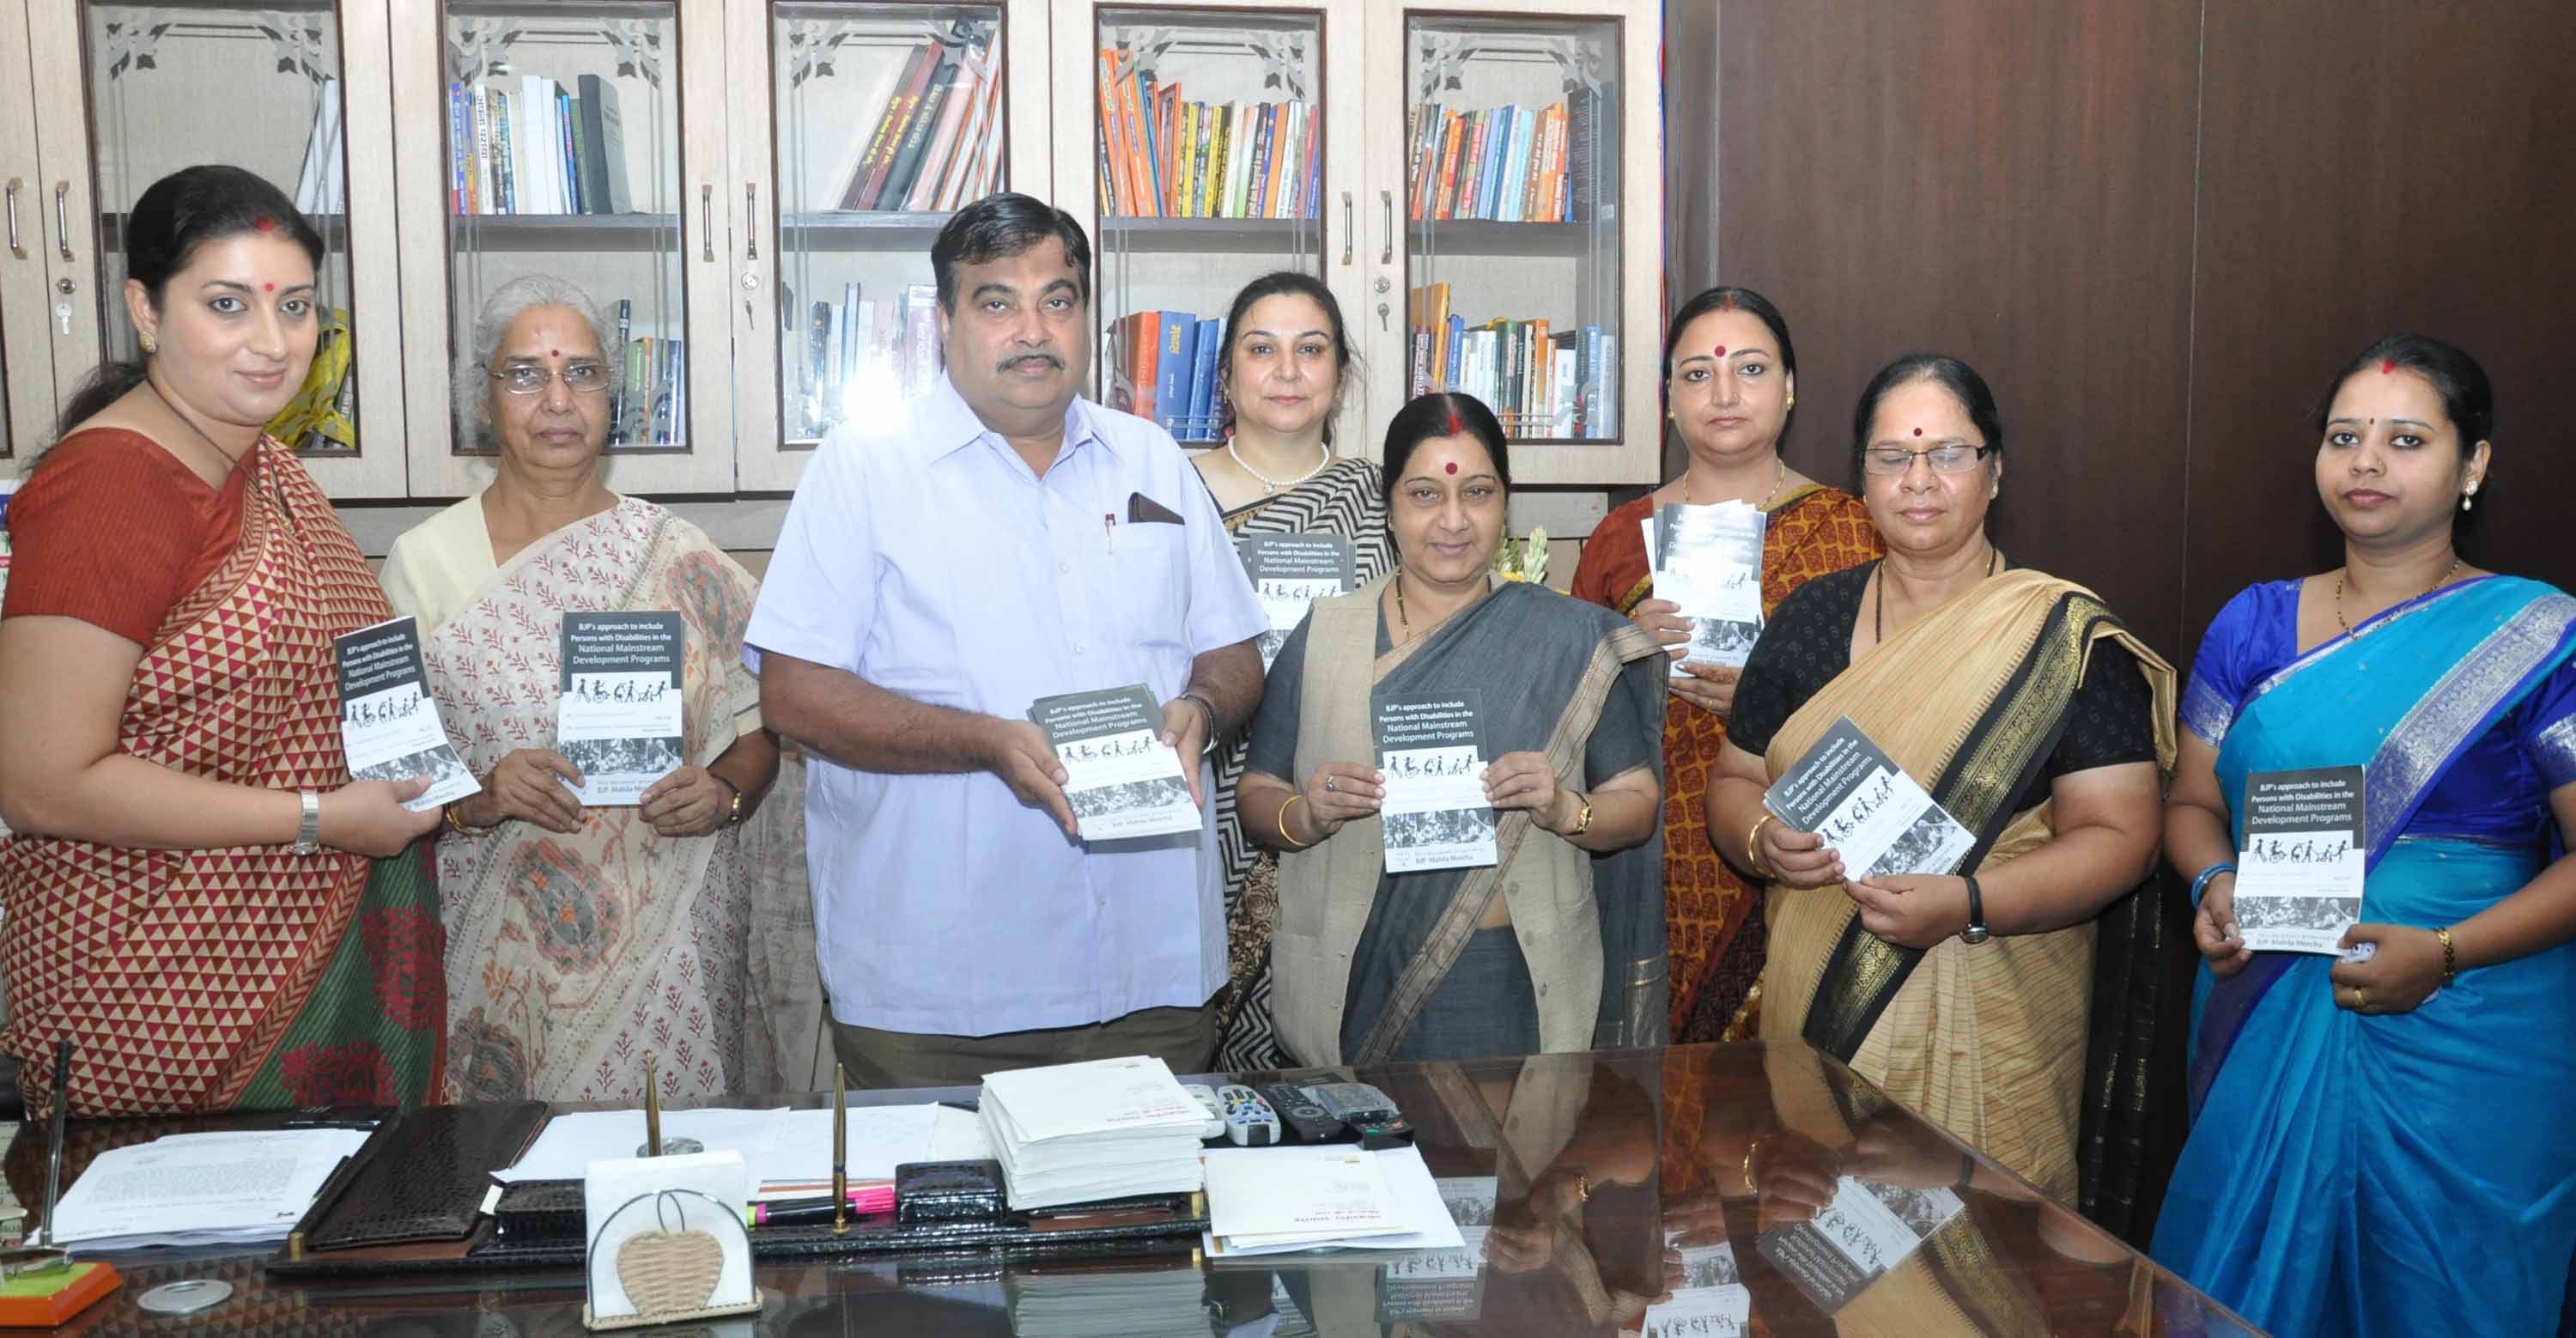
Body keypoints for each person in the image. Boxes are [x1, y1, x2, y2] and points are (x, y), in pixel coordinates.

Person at [746, 193, 1269, 1089]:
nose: (1033, 329)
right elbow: (793, 694)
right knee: (945, 1228)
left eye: (1057, 299)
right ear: (944, 321)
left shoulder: (1152, 460)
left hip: (1151, 971)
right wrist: (985, 742)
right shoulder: (864, 468)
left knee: (1150, 1225)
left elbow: (1233, 654)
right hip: (940, 993)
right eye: (997, 302)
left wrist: (1203, 710)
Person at [2150, 335, 2576, 1337]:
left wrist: (2447, 952)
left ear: (2473, 464)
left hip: (2471, 1033)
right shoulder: (2250, 627)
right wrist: (2214, 880)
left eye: (2406, 438)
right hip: (2269, 1002)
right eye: (2345, 437)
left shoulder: (2541, 635)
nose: (2366, 462)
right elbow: (2190, 805)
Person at [0, 166, 444, 1114]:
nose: (272, 343)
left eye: (295, 307)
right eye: (227, 304)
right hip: (154, 990)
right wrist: (322, 817)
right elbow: (41, 784)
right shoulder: (113, 486)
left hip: (279, 940)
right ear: (145, 310)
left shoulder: (260, 465)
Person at [1702, 354, 2172, 1203]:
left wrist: (1969, 903)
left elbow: (2122, 837)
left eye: (1949, 454)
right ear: (1862, 478)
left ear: (1995, 473)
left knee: (1990, 1282)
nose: (1919, 480)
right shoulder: (1811, 620)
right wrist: (1762, 839)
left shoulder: (2059, 638)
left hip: (1997, 1020)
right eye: (1892, 457)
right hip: (1818, 1018)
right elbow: (1734, 779)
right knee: (1828, 1269)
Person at [379, 275, 799, 1103]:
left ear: (615, 394)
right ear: (484, 399)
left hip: (671, 956)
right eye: (525, 373)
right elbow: (386, 779)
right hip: (491, 960)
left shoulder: (682, 555)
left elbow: (762, 732)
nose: (557, 399)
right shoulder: (419, 565)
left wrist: (722, 795)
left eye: (583, 372)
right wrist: (482, 798)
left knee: (672, 1194)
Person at [1237, 392, 1668, 1064]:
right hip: (1354, 980)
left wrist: (1565, 807)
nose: (1454, 521)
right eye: (1424, 495)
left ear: (1505, 502)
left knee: (1515, 1167)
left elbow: (1638, 806)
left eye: (1478, 492)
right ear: (1389, 504)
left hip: (1519, 982)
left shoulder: (1566, 638)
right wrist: (1307, 813)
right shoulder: (1326, 633)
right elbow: (1258, 792)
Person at [1570, 285, 1880, 1043]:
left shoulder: (1856, 531)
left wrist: (1775, 697)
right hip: (1650, 864)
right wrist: (1622, 653)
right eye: (1699, 375)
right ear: (1668, 398)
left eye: (1751, 369)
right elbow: (1564, 719)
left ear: (1790, 389)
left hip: (1814, 860)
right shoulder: (1619, 537)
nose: (1726, 394)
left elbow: (1903, 703)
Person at [1189, 270, 1395, 1072]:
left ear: (1339, 375)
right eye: (1261, 349)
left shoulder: (1384, 500)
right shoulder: (1161, 497)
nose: (1286, 371)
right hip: (1194, 808)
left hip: (1338, 813)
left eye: (1311, 350)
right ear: (1226, 375)